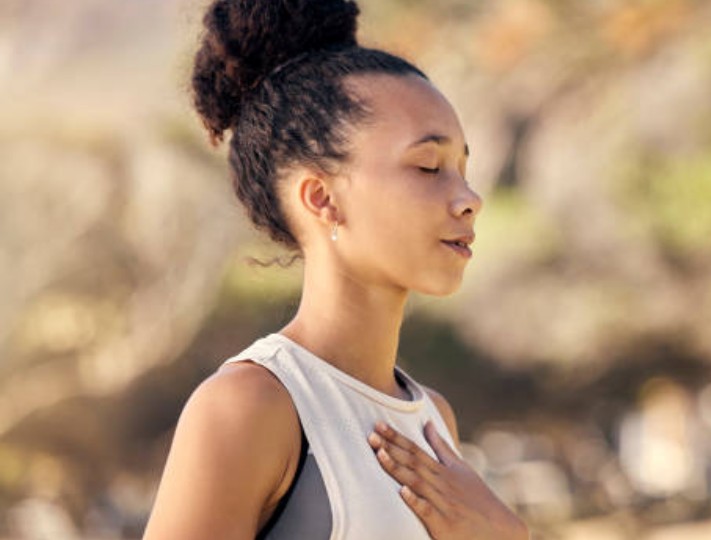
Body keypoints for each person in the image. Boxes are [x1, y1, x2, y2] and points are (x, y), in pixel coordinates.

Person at [142, 0, 529, 538]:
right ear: (322, 199)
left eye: (464, 169)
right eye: (428, 166)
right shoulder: (251, 406)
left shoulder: (433, 420)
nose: (469, 199)